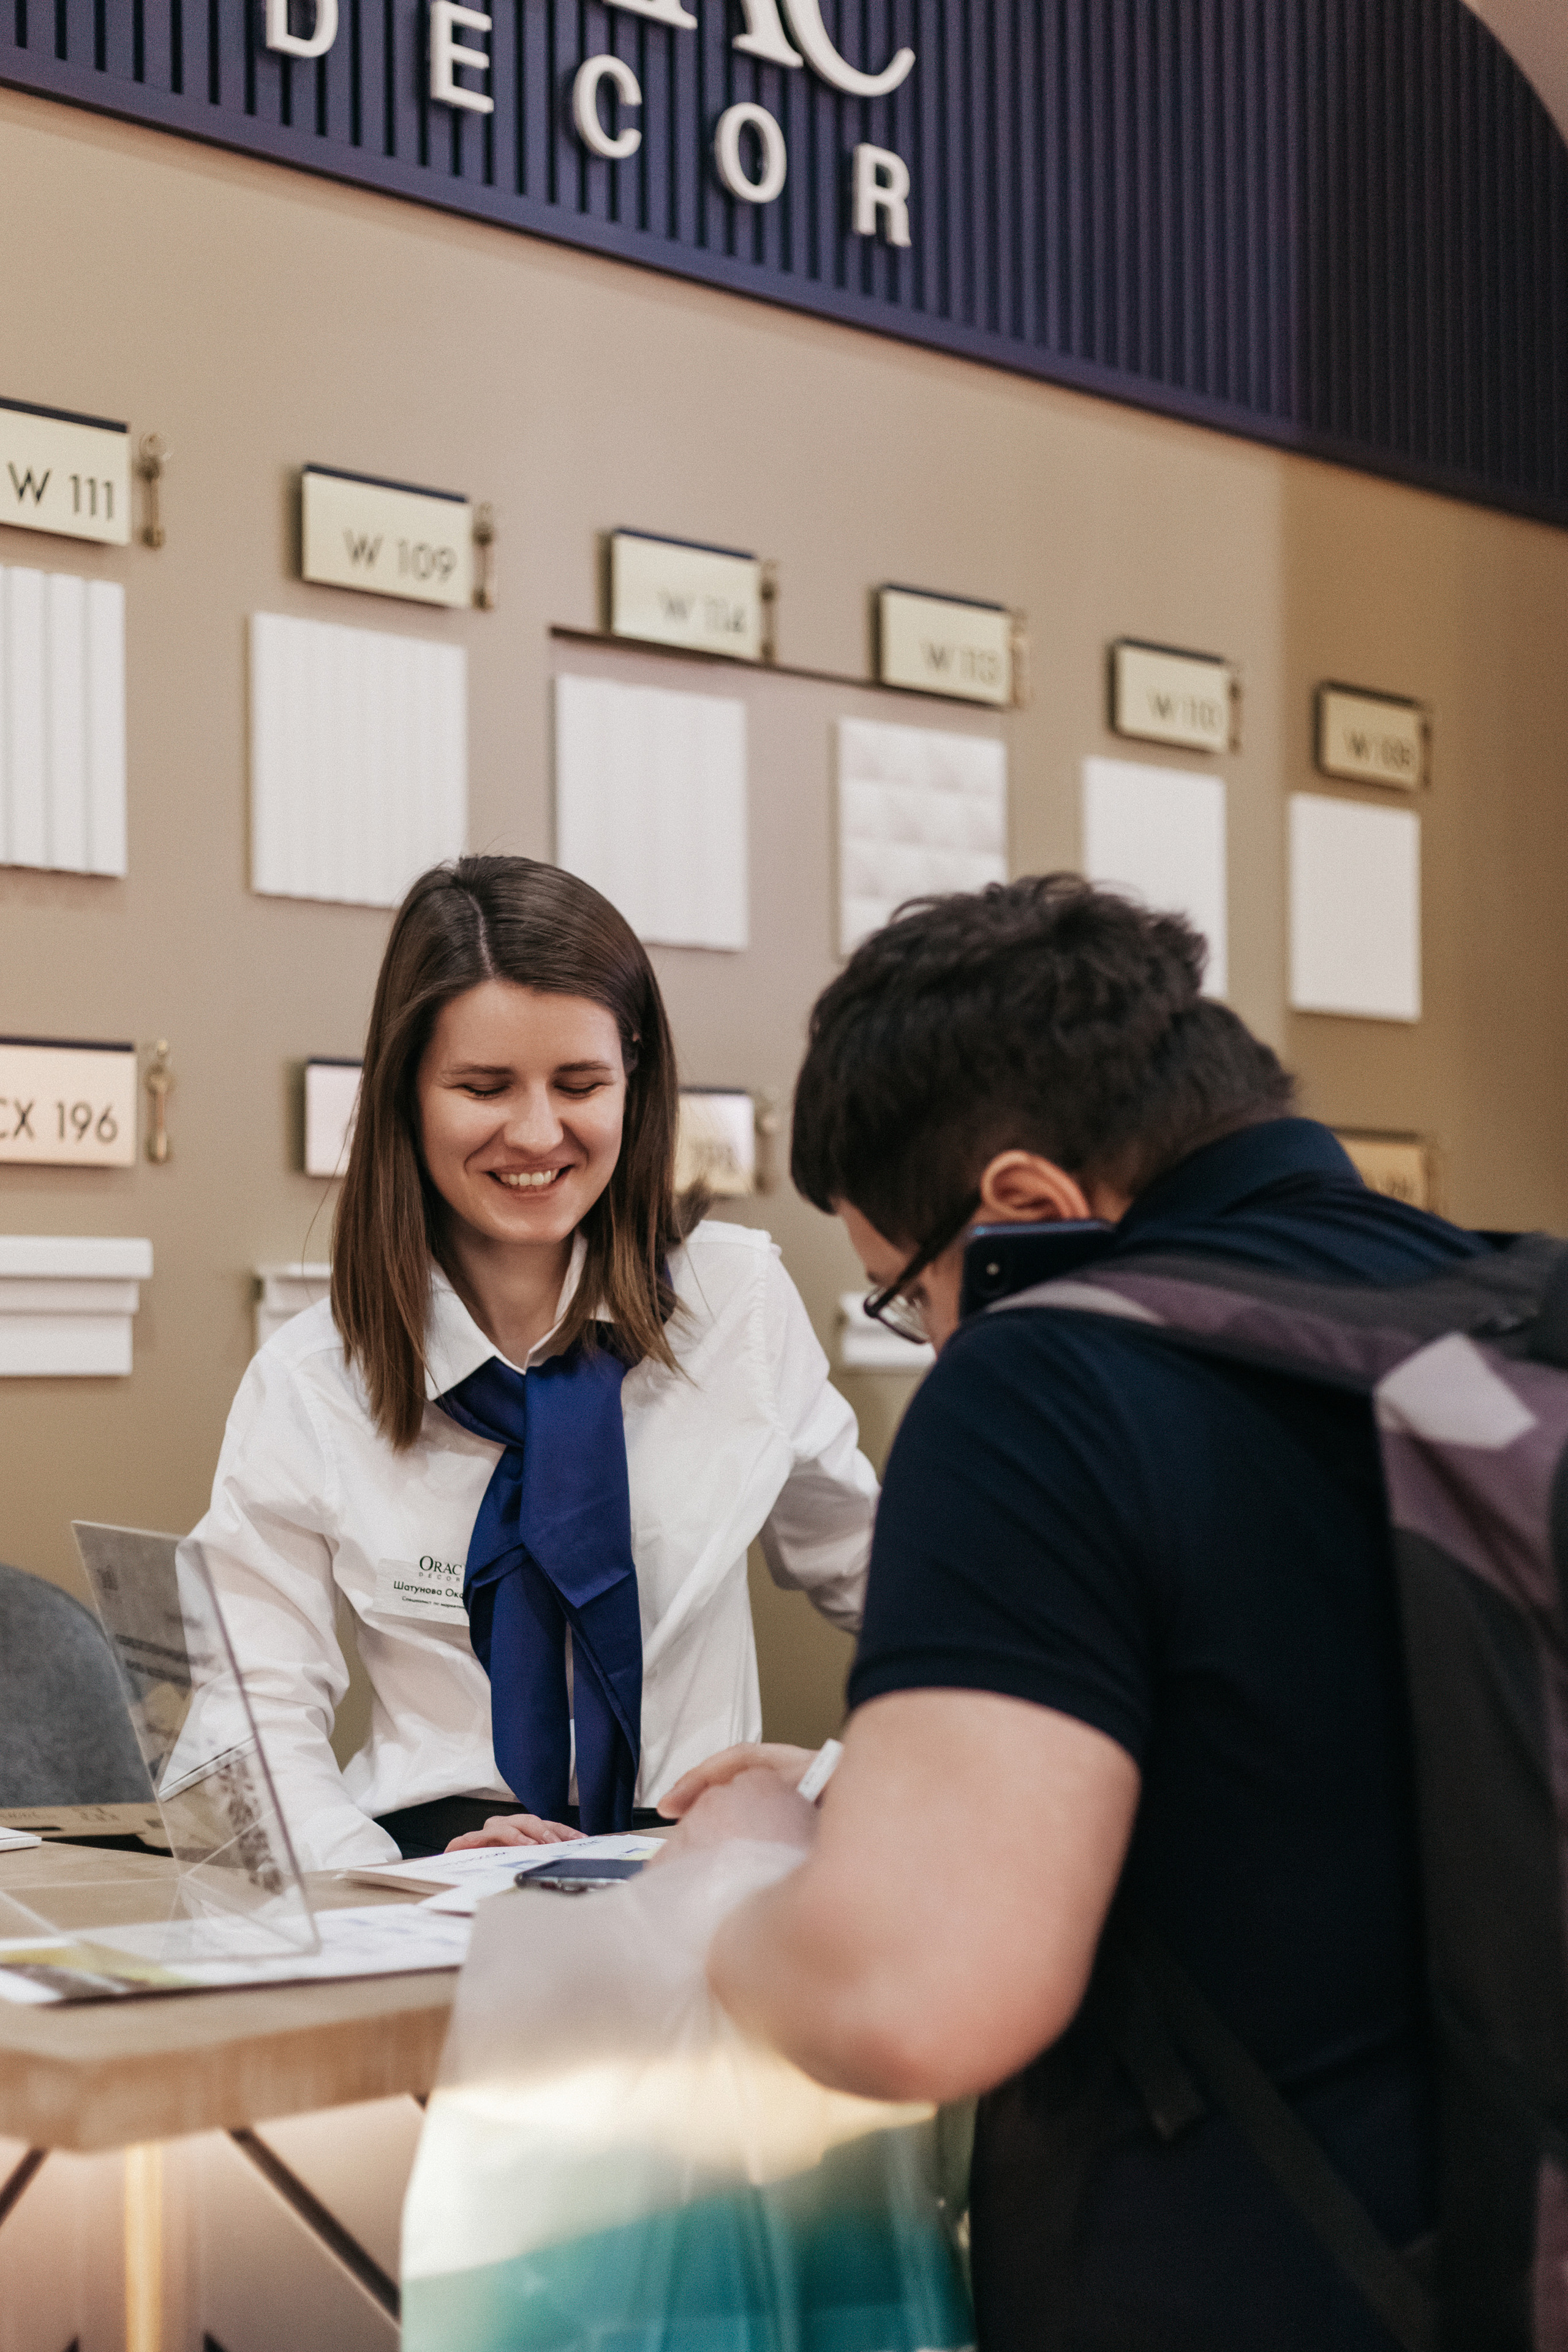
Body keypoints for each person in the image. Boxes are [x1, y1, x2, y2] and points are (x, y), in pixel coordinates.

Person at [660, 875, 1483, 2351]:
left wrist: (727, 1888)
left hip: (1241, 2286)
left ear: (1025, 1210)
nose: (926, 1338)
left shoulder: (1040, 1378)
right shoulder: (1508, 1320)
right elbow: (1305, 1749)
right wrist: (867, 1790)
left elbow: (910, 1994)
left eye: (905, 1298)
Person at [192, 856, 875, 1869]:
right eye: (483, 1087)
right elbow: (244, 1714)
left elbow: (895, 1582)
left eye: (581, 1084)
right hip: (426, 1873)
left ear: (634, 1085)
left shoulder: (737, 1305)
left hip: (690, 1876)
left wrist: (853, 1782)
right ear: (407, 1094)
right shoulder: (311, 1378)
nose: (539, 1132)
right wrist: (387, 1885)